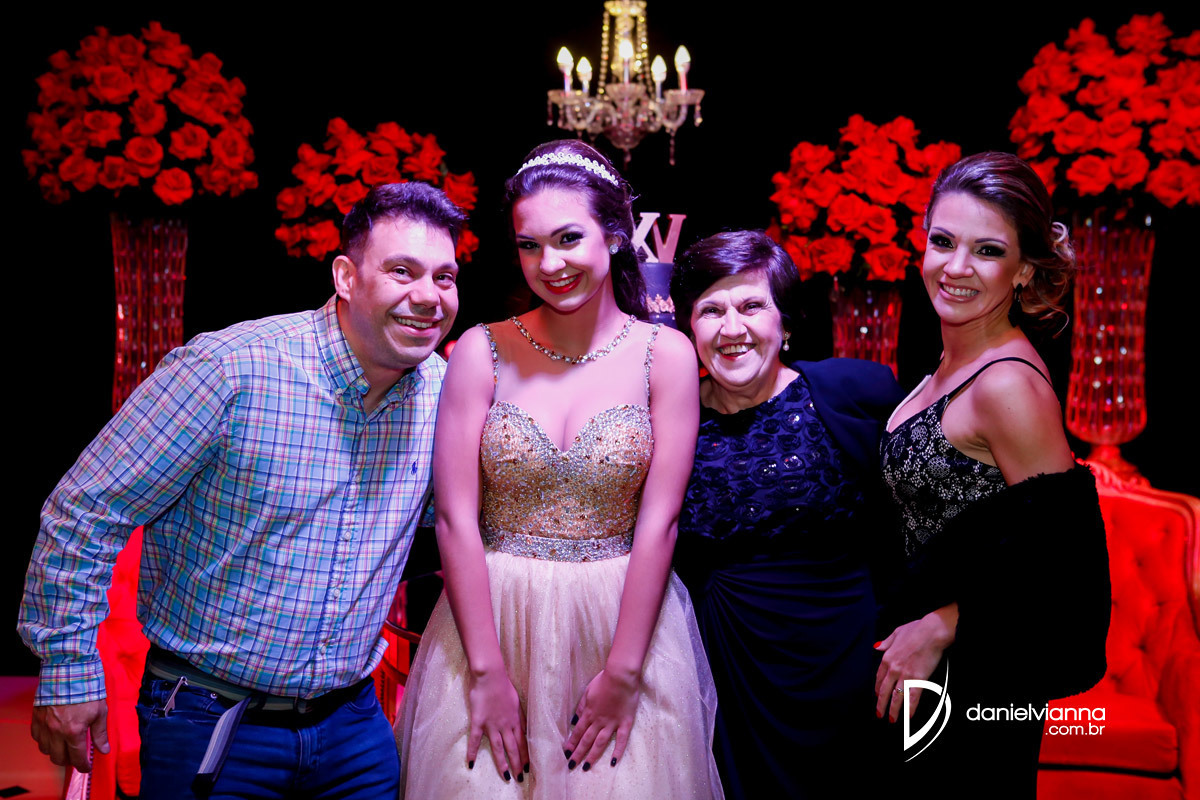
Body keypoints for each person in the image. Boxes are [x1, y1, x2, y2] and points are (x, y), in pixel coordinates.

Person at [18, 181, 466, 799]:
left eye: (445, 277)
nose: (429, 296)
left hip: (355, 729)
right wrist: (69, 670)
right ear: (345, 277)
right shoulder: (232, 370)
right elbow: (86, 511)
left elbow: (465, 523)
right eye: (402, 271)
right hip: (210, 718)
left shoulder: (446, 393)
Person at [396, 140, 723, 799]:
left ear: (616, 234)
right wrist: (486, 673)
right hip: (489, 622)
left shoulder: (666, 354)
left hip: (622, 622)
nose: (550, 263)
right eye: (529, 245)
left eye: (568, 238)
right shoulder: (479, 351)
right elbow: (455, 519)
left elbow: (659, 523)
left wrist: (624, 672)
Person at [875, 152, 1110, 797]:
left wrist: (947, 622)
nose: (956, 267)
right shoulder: (948, 366)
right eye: (942, 241)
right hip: (926, 682)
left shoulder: (1008, 386)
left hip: (980, 692)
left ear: (1024, 269)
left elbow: (1070, 575)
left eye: (987, 251)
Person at [669, 230, 904, 799]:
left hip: (849, 665)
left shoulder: (857, 394)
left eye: (752, 305)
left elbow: (925, 522)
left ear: (787, 323)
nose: (731, 328)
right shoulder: (667, 419)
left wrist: (936, 618)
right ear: (688, 329)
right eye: (711, 310)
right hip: (725, 670)